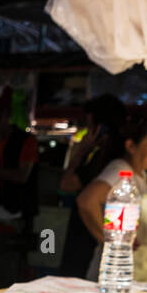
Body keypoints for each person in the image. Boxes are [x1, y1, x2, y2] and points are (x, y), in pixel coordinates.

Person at [76, 114, 147, 279]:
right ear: (131, 146)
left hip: (131, 271)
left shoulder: (142, 175)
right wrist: (111, 243)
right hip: (113, 273)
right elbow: (86, 201)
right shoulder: (120, 170)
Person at [58, 94, 125, 278]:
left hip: (88, 239)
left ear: (100, 128)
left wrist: (81, 151)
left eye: (89, 125)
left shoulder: (102, 160)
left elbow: (66, 185)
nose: (87, 131)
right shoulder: (122, 157)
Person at [0, 92, 40, 232]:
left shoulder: (27, 141)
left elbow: (22, 176)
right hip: (1, 210)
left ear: (5, 118)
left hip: (22, 214)